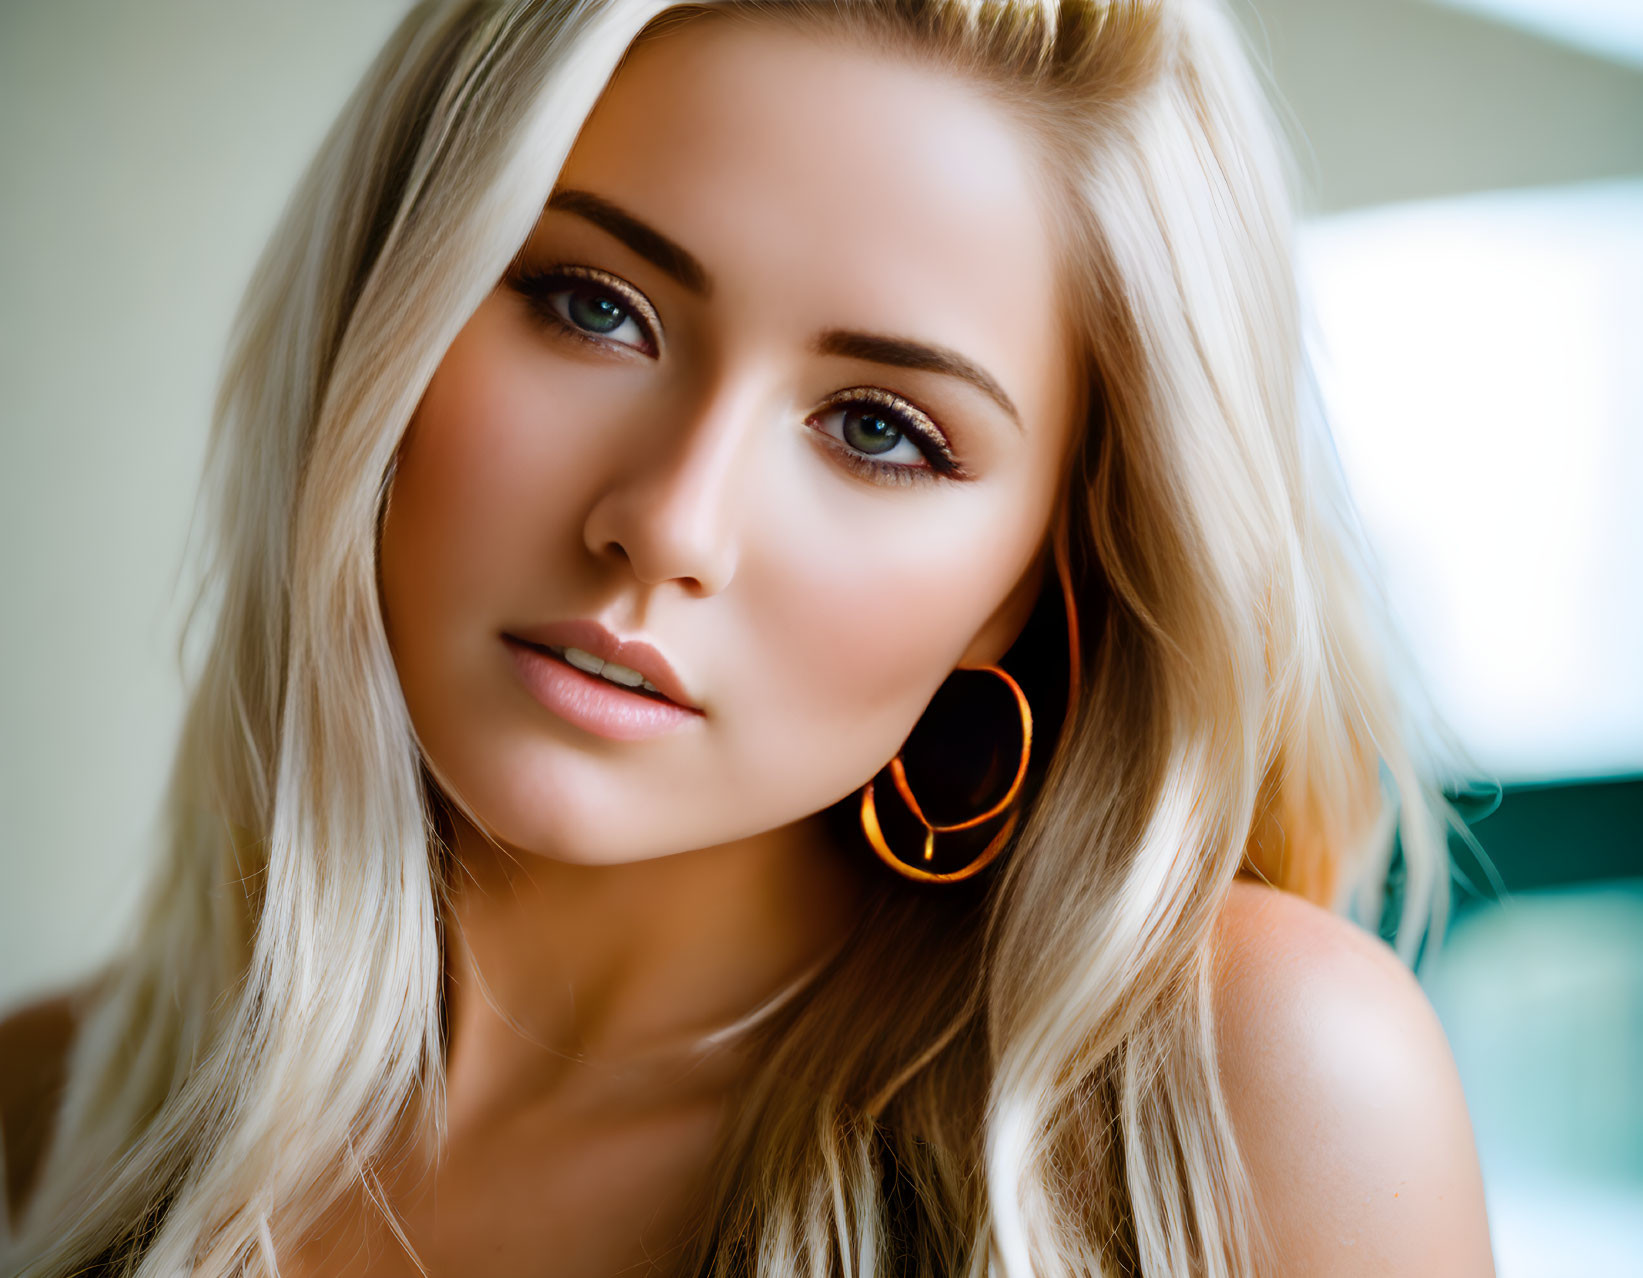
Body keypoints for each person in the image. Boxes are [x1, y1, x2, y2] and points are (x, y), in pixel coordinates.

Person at [0, 0, 1497, 1274]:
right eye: (595, 306)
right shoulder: (43, 1121)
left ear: (1032, 584)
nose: (670, 523)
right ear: (386, 308)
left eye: (880, 429)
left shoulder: (1240, 1091)